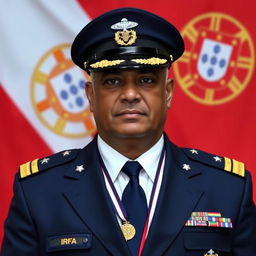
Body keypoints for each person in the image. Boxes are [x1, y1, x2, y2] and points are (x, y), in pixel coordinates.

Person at [1, 7, 256, 256]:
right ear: (91, 95)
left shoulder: (227, 188)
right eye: (113, 81)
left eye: (146, 80)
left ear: (167, 92)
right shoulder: (39, 192)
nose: (131, 95)